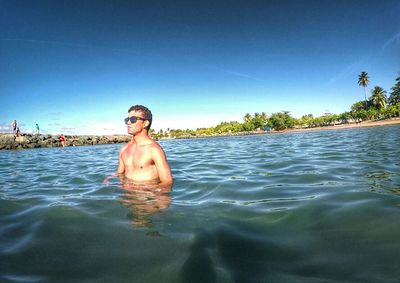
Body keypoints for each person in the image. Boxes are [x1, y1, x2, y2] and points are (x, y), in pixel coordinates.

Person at [118, 105, 173, 187]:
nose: (128, 123)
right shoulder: (124, 149)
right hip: (126, 196)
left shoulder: (154, 150)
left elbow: (167, 182)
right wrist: (108, 179)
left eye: (133, 119)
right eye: (127, 120)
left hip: (146, 196)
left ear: (145, 123)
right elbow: (120, 174)